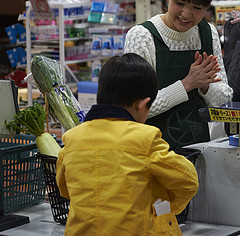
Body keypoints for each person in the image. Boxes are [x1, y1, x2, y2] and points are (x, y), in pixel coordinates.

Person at [56, 53, 199, 236]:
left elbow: (64, 188)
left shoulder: (72, 139)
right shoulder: (145, 138)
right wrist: (166, 207)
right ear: (143, 104)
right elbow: (188, 180)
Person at [124, 0, 233, 148]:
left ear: (207, 7)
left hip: (200, 149)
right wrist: (187, 84)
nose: (186, 14)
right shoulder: (142, 36)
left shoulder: (208, 33)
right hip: (151, 154)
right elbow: (135, 107)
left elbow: (223, 101)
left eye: (197, 8)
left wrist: (205, 86)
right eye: (179, 3)